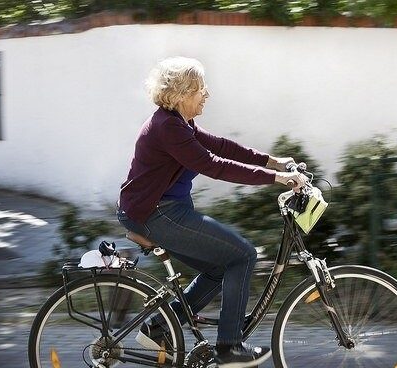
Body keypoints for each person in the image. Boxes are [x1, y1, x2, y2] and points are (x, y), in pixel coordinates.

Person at [117, 56, 306, 368]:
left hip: (160, 210)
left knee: (220, 267)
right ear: (180, 94)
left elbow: (223, 147)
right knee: (242, 255)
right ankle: (229, 347)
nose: (206, 93)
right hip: (155, 214)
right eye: (200, 88)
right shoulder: (168, 128)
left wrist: (275, 161)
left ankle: (160, 326)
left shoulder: (179, 123)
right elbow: (213, 165)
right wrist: (277, 179)